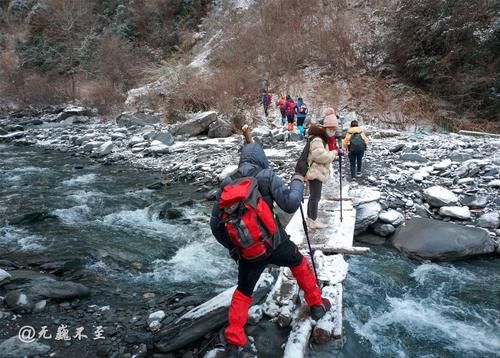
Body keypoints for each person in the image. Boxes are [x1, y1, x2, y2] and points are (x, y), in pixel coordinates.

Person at [210, 125, 331, 357]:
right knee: (299, 263)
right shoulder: (266, 176)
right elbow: (292, 203)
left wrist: (236, 247)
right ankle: (316, 305)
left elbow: (216, 227)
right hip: (275, 244)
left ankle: (233, 343)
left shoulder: (226, 184)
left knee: (243, 291)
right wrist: (297, 178)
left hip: (248, 251)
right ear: (262, 159)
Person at [306, 109, 339, 229]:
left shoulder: (319, 137)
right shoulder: (318, 139)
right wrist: (334, 153)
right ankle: (313, 221)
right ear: (326, 127)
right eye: (332, 129)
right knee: (315, 197)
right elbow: (319, 155)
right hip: (315, 171)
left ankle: (310, 218)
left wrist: (333, 152)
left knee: (313, 196)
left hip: (316, 170)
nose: (333, 132)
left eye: (334, 129)